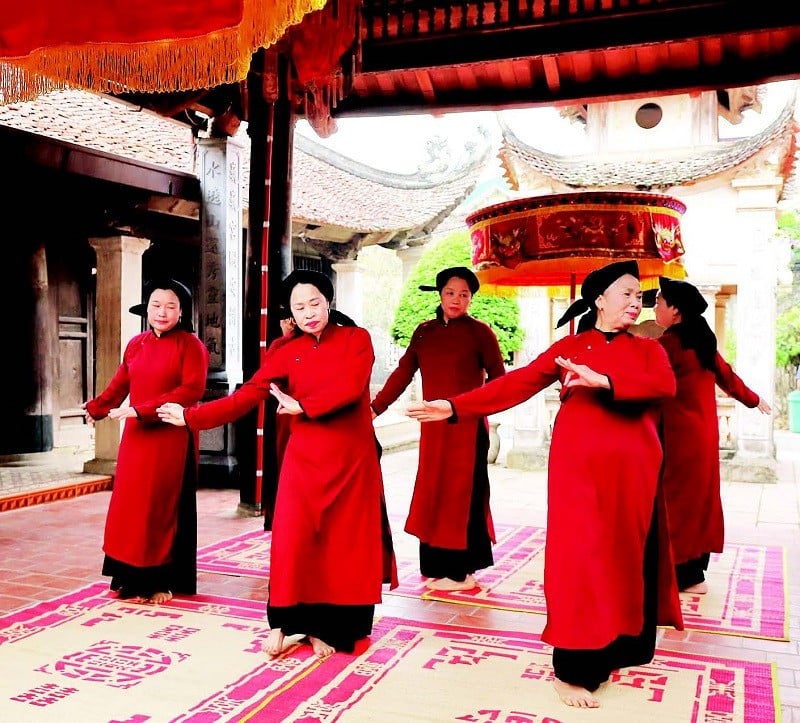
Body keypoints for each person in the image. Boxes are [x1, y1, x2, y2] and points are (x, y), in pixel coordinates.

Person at [407, 260, 683, 709]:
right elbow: (515, 383)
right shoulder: (570, 347)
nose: (636, 303)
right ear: (599, 299)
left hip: (635, 474)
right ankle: (572, 670)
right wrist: (455, 407)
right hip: (579, 470)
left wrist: (606, 380)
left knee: (622, 558)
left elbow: (664, 386)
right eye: (627, 294)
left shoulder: (649, 350)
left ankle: (611, 652)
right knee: (580, 561)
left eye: (639, 296)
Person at [158, 269, 397, 659]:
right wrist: (192, 417)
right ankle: (294, 623)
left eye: (315, 303)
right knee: (297, 539)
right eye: (299, 307)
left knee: (345, 543)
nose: (309, 313)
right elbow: (249, 393)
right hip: (304, 459)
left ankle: (334, 629)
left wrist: (304, 406)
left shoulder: (357, 339)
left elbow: (353, 386)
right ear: (290, 311)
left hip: (352, 458)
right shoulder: (286, 350)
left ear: (329, 301)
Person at [371, 266, 505, 591]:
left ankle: (463, 572)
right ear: (440, 294)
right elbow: (402, 374)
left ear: (471, 298)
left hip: (468, 429)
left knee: (464, 497)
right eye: (450, 293)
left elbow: (500, 382)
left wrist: (472, 407)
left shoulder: (480, 333)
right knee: (434, 494)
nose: (456, 300)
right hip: (432, 429)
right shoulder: (424, 332)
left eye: (464, 294)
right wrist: (374, 409)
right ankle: (435, 565)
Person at [82, 278, 209, 605]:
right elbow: (119, 384)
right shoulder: (136, 344)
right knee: (130, 508)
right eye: (156, 305)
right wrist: (96, 408)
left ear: (181, 311)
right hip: (136, 437)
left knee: (160, 508)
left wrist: (141, 410)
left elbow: (191, 391)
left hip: (170, 435)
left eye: (170, 306)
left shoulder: (191, 345)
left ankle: (162, 581)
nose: (162, 312)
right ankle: (127, 577)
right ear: (147, 309)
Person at [653, 276, 771, 594]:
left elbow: (643, 380)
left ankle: (683, 575)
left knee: (676, 504)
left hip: (678, 438)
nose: (654, 306)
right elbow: (727, 375)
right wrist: (754, 398)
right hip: (703, 435)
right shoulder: (702, 339)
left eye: (660, 301)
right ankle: (695, 573)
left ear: (675, 310)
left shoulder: (669, 344)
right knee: (700, 502)